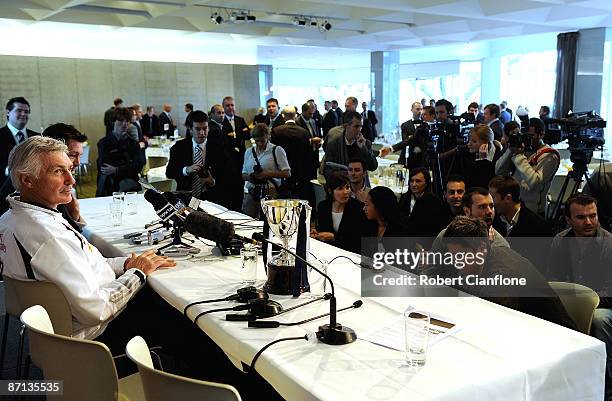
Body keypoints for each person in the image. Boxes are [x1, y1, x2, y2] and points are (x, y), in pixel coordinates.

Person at [0, 136, 176, 351]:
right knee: (174, 310)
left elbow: (88, 265)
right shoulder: (48, 237)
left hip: (55, 325)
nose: (71, 181)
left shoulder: (9, 218)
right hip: (93, 337)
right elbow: (96, 310)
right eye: (57, 171)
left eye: (69, 170)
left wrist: (128, 264)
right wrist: (137, 273)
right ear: (27, 180)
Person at [423, 216, 574, 329]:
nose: (456, 263)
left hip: (557, 344)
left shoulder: (499, 280)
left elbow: (491, 327)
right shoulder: (492, 252)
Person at [547, 194, 612, 397]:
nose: (589, 222)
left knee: (599, 320)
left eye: (593, 216)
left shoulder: (609, 244)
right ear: (568, 220)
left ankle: (606, 380)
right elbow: (553, 279)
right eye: (581, 217)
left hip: (604, 303)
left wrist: (583, 302)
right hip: (573, 298)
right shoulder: (560, 241)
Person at [495, 117, 560, 215]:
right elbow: (499, 171)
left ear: (541, 135)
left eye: (530, 136)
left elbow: (535, 182)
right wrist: (511, 150)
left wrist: (518, 156)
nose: (526, 139)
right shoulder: (521, 149)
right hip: (514, 205)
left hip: (533, 210)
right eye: (523, 135)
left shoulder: (549, 155)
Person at [489, 175, 552, 273]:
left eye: (493, 198)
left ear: (508, 198)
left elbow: (538, 266)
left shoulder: (539, 227)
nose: (490, 203)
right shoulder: (493, 220)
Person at [166, 110, 229, 206]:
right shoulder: (179, 147)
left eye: (205, 128)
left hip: (211, 198)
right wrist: (186, 170)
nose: (202, 133)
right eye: (198, 129)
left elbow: (228, 175)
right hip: (186, 197)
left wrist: (212, 181)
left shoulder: (219, 148)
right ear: (190, 129)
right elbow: (169, 172)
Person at [432, 187, 509, 251]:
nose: (489, 211)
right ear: (467, 211)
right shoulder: (445, 237)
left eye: (491, 206)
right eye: (482, 207)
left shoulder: (501, 245)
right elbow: (432, 266)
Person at [241, 123, 291, 218]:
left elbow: (287, 173)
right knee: (249, 219)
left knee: (270, 220)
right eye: (257, 141)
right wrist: (252, 176)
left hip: (271, 191)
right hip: (252, 191)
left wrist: (266, 174)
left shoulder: (276, 150)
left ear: (268, 136)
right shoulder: (249, 152)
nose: (259, 144)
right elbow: (243, 174)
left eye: (262, 141)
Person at [311, 172, 368, 253]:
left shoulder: (358, 208)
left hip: (350, 254)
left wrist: (334, 237)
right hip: (327, 251)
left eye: (347, 187)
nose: (345, 192)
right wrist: (316, 232)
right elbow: (323, 228)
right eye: (340, 188)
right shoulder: (323, 206)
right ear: (330, 191)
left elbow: (357, 241)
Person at [96, 107, 143, 196]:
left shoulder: (133, 143)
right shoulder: (103, 143)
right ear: (114, 122)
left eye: (127, 122)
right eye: (121, 121)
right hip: (109, 186)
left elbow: (138, 166)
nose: (124, 124)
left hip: (130, 187)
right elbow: (105, 167)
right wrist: (127, 166)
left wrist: (116, 169)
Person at [399, 167, 452, 241]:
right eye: (411, 181)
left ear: (426, 183)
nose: (414, 184)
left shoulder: (434, 202)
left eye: (418, 181)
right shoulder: (405, 197)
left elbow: (433, 228)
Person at [321, 111, 378, 179]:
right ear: (346, 126)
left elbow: (373, 166)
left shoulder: (365, 143)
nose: (359, 130)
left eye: (361, 126)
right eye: (356, 126)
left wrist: (363, 148)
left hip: (359, 186)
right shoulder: (334, 144)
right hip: (341, 184)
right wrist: (337, 174)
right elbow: (326, 169)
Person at [1, 97, 40, 190]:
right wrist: (9, 170)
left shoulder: (37, 137)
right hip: (5, 192)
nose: (23, 114)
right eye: (19, 111)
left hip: (35, 191)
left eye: (26, 112)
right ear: (8, 112)